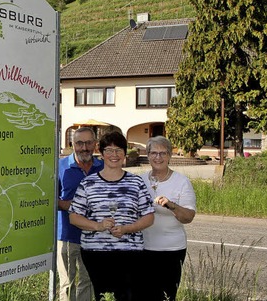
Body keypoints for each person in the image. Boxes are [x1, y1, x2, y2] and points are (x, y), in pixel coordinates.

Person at [69, 131, 154, 301]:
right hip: (96, 253)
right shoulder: (88, 183)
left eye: (118, 150)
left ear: (124, 154)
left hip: (130, 253)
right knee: (104, 296)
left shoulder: (136, 182)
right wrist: (98, 226)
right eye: (108, 150)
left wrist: (126, 229)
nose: (113, 155)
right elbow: (74, 217)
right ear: (101, 153)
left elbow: (149, 217)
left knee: (128, 296)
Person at [140, 136, 196, 301]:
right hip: (143, 247)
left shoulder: (182, 182)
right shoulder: (140, 180)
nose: (158, 157)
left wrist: (171, 205)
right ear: (148, 155)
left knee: (166, 296)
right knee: (144, 295)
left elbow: (188, 217)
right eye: (154, 153)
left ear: (170, 155)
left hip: (171, 249)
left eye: (163, 153)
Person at [57, 127, 103, 301]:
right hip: (67, 236)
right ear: (72, 144)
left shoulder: (103, 166)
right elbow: (51, 200)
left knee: (88, 281)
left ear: (95, 145)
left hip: (94, 236)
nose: (84, 147)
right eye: (79, 143)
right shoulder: (60, 166)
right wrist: (75, 206)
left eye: (88, 143)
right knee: (67, 284)